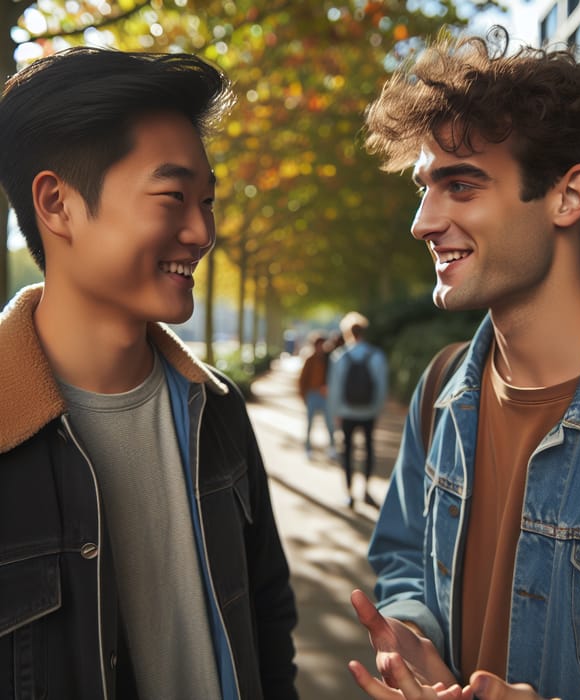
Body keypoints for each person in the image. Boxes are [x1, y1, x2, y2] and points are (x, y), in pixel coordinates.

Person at [347, 27, 580, 700]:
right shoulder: (442, 390)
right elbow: (402, 556)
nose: (423, 221)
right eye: (424, 187)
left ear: (569, 197)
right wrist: (414, 632)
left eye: (460, 184)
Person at [0, 47, 298, 700]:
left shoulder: (217, 408)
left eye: (208, 200)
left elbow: (269, 619)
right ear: (57, 204)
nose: (202, 230)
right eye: (172, 197)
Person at [328, 311, 388, 509]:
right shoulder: (376, 355)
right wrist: (376, 410)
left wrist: (335, 412)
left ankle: (349, 493)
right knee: (369, 449)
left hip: (346, 413)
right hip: (368, 412)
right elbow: (381, 386)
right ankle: (367, 490)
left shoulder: (340, 356)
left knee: (347, 452)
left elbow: (335, 388)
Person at [298, 331, 337, 459]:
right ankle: (308, 448)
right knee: (310, 423)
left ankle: (332, 447)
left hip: (325, 396)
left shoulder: (329, 359)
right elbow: (302, 380)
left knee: (330, 423)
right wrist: (304, 396)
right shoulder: (310, 360)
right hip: (312, 395)